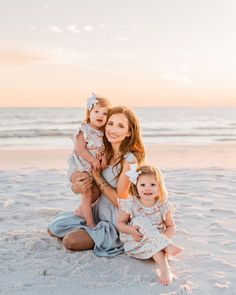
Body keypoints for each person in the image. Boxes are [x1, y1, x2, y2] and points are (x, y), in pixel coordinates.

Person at [48, 106, 146, 257]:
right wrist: (76, 187)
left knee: (70, 241)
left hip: (116, 216)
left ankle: (99, 235)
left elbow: (122, 201)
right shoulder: (102, 151)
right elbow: (84, 184)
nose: (113, 129)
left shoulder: (130, 158)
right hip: (98, 209)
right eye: (111, 123)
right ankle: (90, 230)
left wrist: (99, 178)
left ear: (129, 132)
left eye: (120, 126)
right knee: (53, 228)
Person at [117, 165, 183, 286]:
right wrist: (130, 229)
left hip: (156, 238)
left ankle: (164, 267)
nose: (147, 188)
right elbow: (120, 223)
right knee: (140, 220)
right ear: (136, 186)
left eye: (152, 185)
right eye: (142, 185)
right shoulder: (131, 203)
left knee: (157, 248)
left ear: (159, 187)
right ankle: (166, 246)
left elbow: (171, 226)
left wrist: (163, 237)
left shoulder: (163, 205)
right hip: (137, 239)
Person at [67, 93, 112, 227]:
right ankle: (90, 222)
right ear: (89, 113)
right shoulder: (84, 130)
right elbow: (81, 149)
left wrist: (104, 157)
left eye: (105, 113)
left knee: (97, 192)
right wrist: (93, 160)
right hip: (80, 168)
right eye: (96, 111)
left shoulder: (105, 132)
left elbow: (106, 148)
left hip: (93, 170)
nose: (100, 115)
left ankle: (82, 210)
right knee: (86, 192)